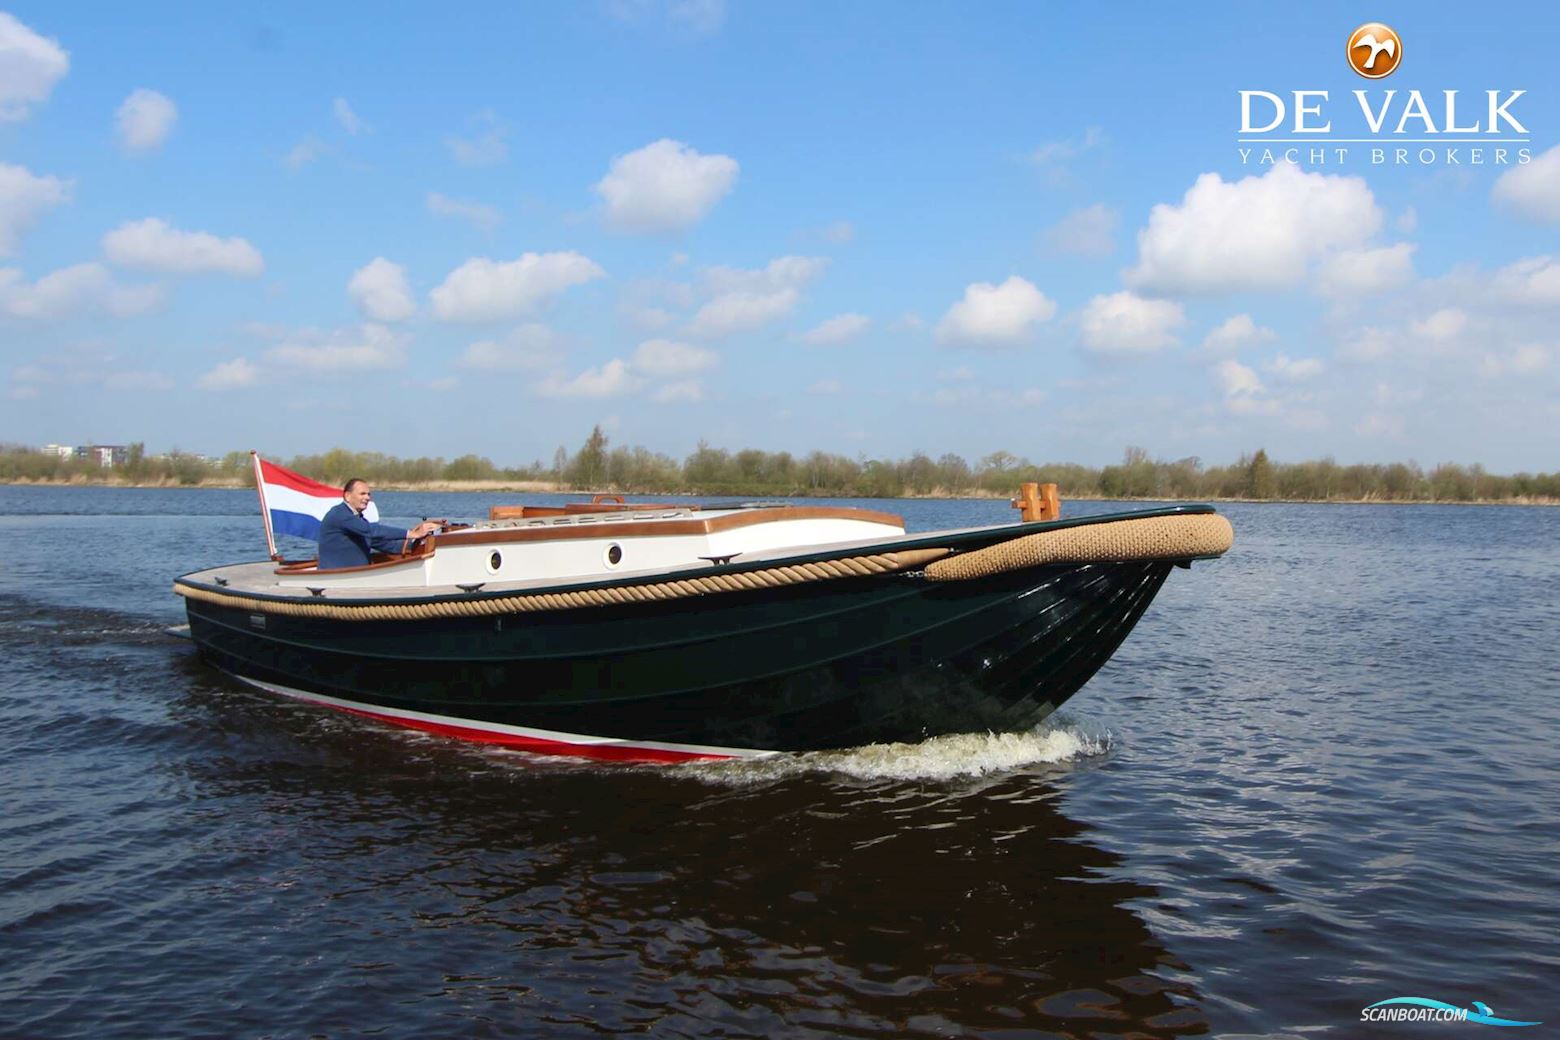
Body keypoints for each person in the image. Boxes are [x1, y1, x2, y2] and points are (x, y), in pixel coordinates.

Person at [318, 478, 442, 570]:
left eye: (368, 494)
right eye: (362, 494)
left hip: (358, 577)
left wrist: (420, 542)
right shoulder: (340, 515)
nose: (367, 498)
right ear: (348, 496)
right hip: (336, 580)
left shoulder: (359, 520)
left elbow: (384, 544)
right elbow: (371, 531)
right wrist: (411, 533)